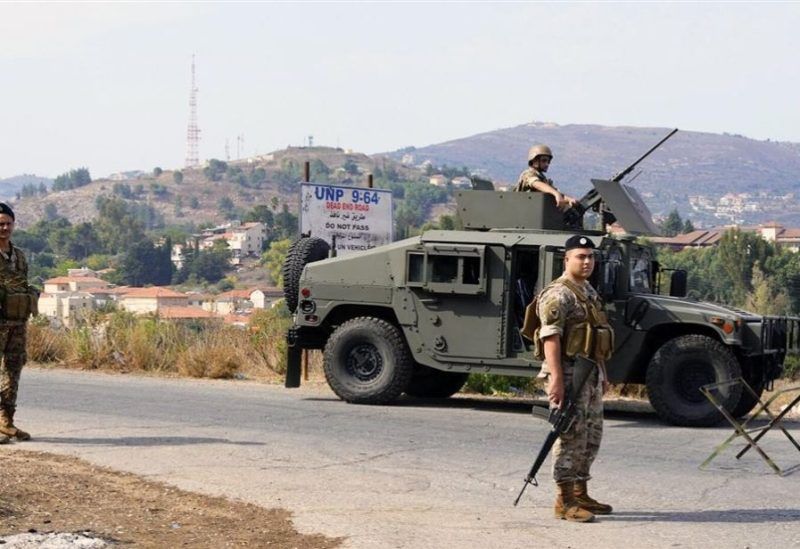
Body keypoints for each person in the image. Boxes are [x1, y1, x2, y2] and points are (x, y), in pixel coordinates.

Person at [533, 235, 614, 523]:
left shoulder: (587, 290)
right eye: (581, 256)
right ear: (566, 259)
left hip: (589, 372)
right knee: (570, 435)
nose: (587, 261)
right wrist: (556, 378)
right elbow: (550, 337)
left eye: (591, 256)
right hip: (566, 373)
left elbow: (597, 333)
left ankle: (580, 492)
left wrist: (603, 372)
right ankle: (564, 501)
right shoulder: (558, 294)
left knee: (591, 435)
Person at [0, 203, 37, 443]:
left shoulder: (19, 256)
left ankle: (6, 421)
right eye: (0, 224)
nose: (4, 228)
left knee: (13, 369)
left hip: (17, 323)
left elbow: (23, 284)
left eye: (8, 223)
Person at [513, 144, 578, 211]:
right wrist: (556, 194)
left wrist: (569, 200)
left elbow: (555, 192)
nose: (547, 164)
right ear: (534, 160)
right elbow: (536, 184)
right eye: (544, 161)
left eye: (548, 162)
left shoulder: (543, 179)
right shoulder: (527, 174)